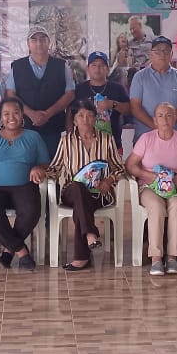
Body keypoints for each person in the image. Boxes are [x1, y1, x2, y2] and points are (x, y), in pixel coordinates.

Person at [0, 97, 50, 270]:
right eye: (6, 114)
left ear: (22, 115)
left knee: (31, 211)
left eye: (16, 113)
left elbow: (46, 164)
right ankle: (21, 251)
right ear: (0, 117)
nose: (11, 117)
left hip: (24, 186)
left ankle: (8, 251)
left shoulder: (34, 137)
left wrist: (38, 167)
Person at [125, 102, 177, 275]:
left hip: (176, 186)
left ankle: (172, 257)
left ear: (175, 119)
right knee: (156, 206)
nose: (164, 119)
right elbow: (130, 165)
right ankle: (156, 258)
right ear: (154, 120)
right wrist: (149, 176)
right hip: (149, 186)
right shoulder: (146, 138)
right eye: (160, 116)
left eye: (168, 115)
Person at [48, 100, 126, 271]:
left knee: (81, 207)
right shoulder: (66, 141)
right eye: (81, 116)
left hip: (99, 194)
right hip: (72, 192)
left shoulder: (106, 139)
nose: (86, 120)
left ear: (95, 119)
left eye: (90, 115)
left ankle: (82, 257)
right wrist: (41, 174)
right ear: (74, 120)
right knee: (78, 188)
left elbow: (119, 168)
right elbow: (54, 168)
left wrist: (109, 180)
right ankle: (90, 234)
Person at [5, 26, 76, 158]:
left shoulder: (62, 66)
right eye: (34, 39)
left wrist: (48, 114)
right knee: (26, 164)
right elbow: (10, 94)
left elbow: (70, 94)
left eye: (43, 39)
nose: (39, 43)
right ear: (28, 44)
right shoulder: (17, 66)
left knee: (52, 164)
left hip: (54, 128)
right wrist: (31, 114)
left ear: (49, 42)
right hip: (24, 128)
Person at [129, 35, 177, 139]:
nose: (162, 54)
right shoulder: (139, 77)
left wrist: (166, 125)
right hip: (145, 138)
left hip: (173, 137)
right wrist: (157, 127)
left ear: (171, 54)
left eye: (166, 51)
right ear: (151, 54)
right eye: (158, 51)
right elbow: (135, 107)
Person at [74, 51, 131, 149]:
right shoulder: (79, 89)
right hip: (84, 145)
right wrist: (72, 138)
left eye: (102, 65)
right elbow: (70, 115)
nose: (97, 69)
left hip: (112, 144)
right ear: (88, 69)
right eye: (94, 65)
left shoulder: (117, 88)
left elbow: (129, 110)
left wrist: (112, 104)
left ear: (107, 69)